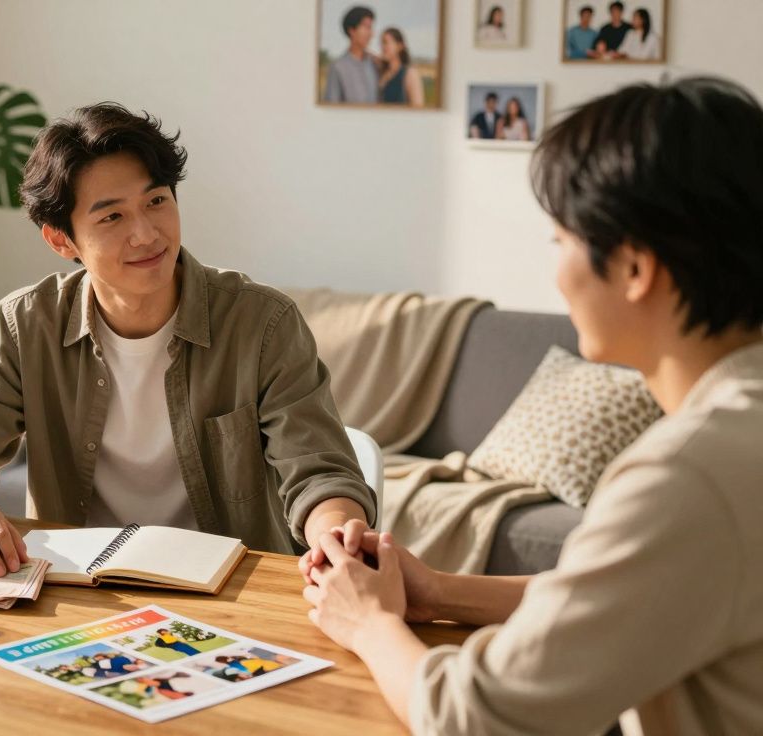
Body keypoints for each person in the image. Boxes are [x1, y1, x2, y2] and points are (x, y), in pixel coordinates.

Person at [302, 76, 763, 734]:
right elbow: (627, 599)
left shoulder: (686, 476)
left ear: (634, 269)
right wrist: (440, 590)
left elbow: (477, 716)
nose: (556, 274)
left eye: (561, 242)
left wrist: (368, 624)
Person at [0, 102, 375, 575]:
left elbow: (320, 474)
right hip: (77, 588)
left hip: (232, 591)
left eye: (156, 201)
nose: (146, 234)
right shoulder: (26, 325)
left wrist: (334, 534)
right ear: (61, 240)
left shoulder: (264, 324)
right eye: (112, 218)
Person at [324, 6, 380, 104]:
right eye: (367, 27)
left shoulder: (374, 64)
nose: (371, 33)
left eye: (371, 28)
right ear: (352, 30)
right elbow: (331, 107)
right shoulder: (338, 67)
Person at [378, 28, 424, 107]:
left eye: (386, 42)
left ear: (399, 46)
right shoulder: (381, 73)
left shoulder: (410, 73)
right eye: (381, 43)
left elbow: (418, 108)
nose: (382, 47)